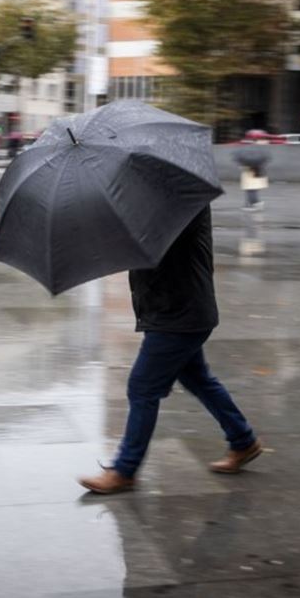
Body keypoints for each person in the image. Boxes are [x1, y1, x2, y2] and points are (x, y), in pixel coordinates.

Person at [79, 206, 261, 494]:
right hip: (172, 311)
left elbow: (155, 243)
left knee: (142, 387)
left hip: (180, 314)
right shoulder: (152, 203)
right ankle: (243, 441)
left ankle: (125, 470)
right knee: (198, 379)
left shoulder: (182, 204)